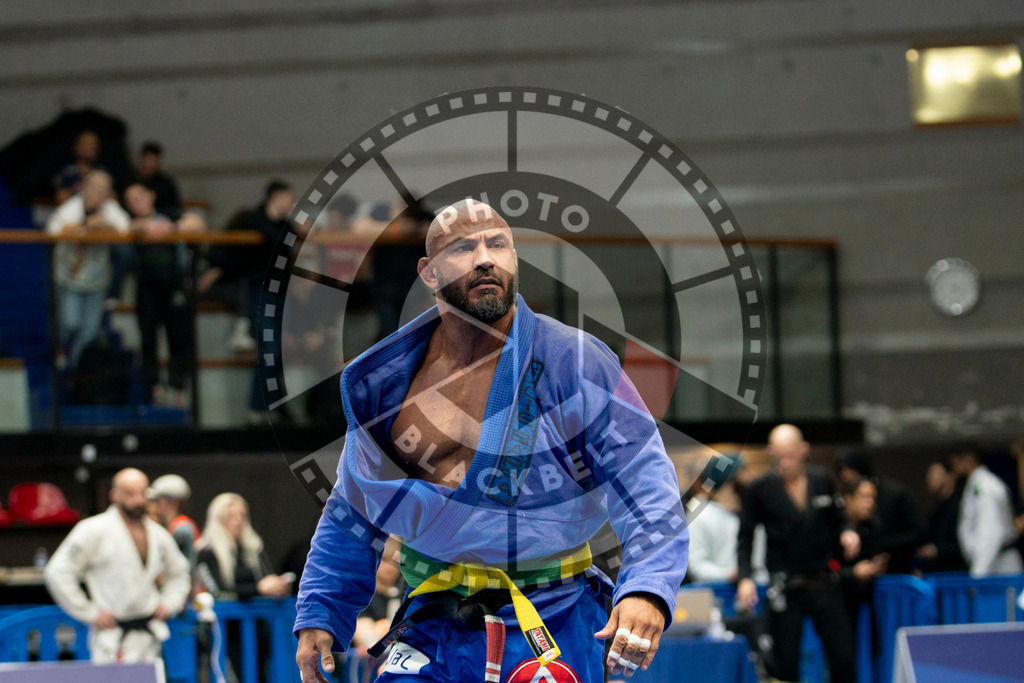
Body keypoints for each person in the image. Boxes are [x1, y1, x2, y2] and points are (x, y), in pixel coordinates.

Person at [295, 199, 688, 683]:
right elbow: (354, 505)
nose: (486, 258)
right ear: (430, 273)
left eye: (498, 244)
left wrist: (647, 587)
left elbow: (645, 479)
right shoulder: (393, 385)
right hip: (432, 620)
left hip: (550, 612)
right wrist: (322, 609)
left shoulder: (574, 361)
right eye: (463, 247)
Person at [736, 424, 858, 683]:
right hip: (785, 584)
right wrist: (745, 577)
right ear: (770, 452)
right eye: (779, 455)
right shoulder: (760, 488)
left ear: (804, 450)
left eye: (790, 454)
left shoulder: (821, 478)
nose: (785, 461)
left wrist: (848, 532)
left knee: (843, 657)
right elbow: (745, 536)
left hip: (824, 580)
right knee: (785, 661)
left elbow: (839, 518)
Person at [44, 468, 191, 663]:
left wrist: (171, 601)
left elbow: (179, 571)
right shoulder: (93, 530)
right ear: (114, 495)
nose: (138, 500)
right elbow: (57, 572)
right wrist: (89, 611)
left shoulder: (158, 534)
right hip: (111, 639)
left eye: (142, 492)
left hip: (148, 635)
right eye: (130, 493)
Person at [196, 493, 293, 683]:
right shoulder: (206, 551)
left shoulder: (253, 548)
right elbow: (219, 592)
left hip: (259, 631)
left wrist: (277, 587)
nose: (238, 521)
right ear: (219, 519)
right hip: (226, 634)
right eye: (231, 516)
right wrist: (259, 589)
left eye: (242, 515)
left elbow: (267, 579)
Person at [124, 181, 202, 407]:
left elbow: (197, 223)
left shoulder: (168, 213)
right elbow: (122, 228)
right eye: (130, 200)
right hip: (146, 286)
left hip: (174, 284)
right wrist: (144, 228)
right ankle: (155, 389)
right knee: (148, 340)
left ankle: (179, 389)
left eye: (138, 197)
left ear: (151, 195)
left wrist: (169, 228)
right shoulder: (128, 221)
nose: (135, 203)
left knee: (178, 337)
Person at [45, 170, 130, 367]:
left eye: (105, 190)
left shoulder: (110, 208)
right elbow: (52, 230)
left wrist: (104, 227)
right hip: (69, 275)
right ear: (85, 188)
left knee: (90, 330)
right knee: (70, 322)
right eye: (96, 189)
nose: (100, 194)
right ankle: (62, 347)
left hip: (96, 277)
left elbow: (124, 231)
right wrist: (85, 225)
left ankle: (77, 370)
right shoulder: (72, 207)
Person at [834, 449, 924, 574]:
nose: (870, 503)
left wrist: (877, 563)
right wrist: (852, 573)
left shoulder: (874, 525)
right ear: (847, 499)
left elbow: (877, 553)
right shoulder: (834, 525)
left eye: (873, 498)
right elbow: (829, 567)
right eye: (864, 497)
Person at [949, 445, 1023, 576]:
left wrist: (978, 573)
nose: (954, 470)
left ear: (968, 460)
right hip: (991, 562)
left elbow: (991, 532)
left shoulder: (985, 486)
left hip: (998, 564)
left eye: (955, 464)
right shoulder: (976, 485)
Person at [916, 460, 968, 573]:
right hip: (938, 571)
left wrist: (937, 550)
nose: (929, 478)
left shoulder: (962, 505)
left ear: (950, 476)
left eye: (934, 474)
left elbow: (965, 541)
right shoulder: (939, 507)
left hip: (955, 572)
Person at [147, 473, 200, 566]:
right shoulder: (175, 526)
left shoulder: (182, 530)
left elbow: (182, 566)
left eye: (158, 501)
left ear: (172, 502)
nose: (154, 506)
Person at [135, 141, 183, 220]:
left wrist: (154, 212)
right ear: (141, 159)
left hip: (162, 222)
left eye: (153, 162)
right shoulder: (130, 180)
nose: (150, 165)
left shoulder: (166, 183)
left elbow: (178, 211)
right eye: (147, 161)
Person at [53, 130, 102, 204]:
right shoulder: (66, 172)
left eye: (93, 144)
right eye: (85, 144)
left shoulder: (103, 172)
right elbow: (60, 198)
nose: (90, 148)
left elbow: (113, 199)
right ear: (75, 147)